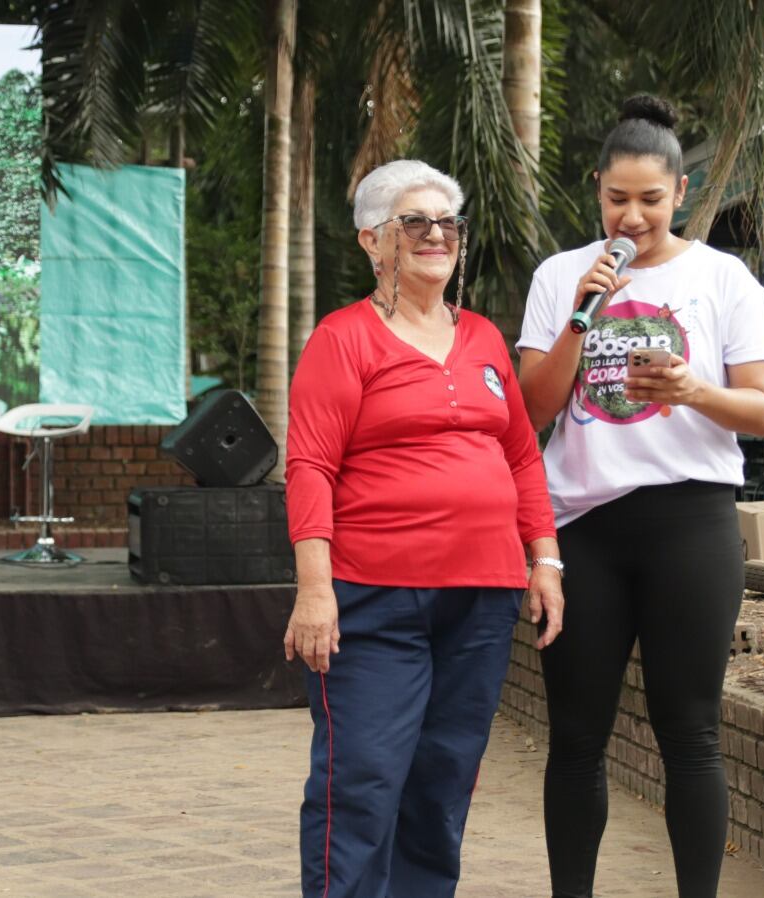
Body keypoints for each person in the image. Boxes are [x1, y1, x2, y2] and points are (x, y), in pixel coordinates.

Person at [515, 95, 764, 898]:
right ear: (596, 190)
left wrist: (693, 389)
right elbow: (530, 409)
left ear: (682, 193)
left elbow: (760, 411)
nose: (632, 217)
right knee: (577, 739)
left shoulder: (723, 279)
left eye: (651, 200)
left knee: (690, 733)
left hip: (690, 524)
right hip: (585, 530)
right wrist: (578, 322)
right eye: (616, 199)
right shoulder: (562, 277)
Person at [284, 159, 564, 898]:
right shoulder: (342, 340)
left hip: (481, 597)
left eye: (448, 223)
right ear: (374, 242)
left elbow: (519, 455)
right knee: (364, 781)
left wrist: (545, 557)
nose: (437, 234)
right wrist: (315, 591)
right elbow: (310, 466)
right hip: (374, 599)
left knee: (444, 782)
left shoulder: (481, 338)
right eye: (416, 222)